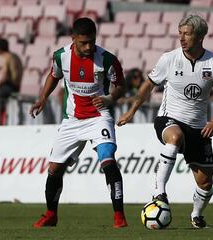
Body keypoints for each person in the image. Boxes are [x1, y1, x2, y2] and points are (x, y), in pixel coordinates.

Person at [117, 14, 213, 228]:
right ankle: (159, 193)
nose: (181, 38)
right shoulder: (169, 59)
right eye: (180, 33)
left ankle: (196, 215)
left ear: (199, 37)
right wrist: (132, 111)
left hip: (199, 128)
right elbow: (147, 86)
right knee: (175, 136)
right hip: (169, 119)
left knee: (205, 182)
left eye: (186, 34)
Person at [30, 18, 127, 228]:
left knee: (107, 159)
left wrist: (110, 98)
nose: (89, 46)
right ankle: (51, 214)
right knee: (54, 169)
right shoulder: (61, 56)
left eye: (92, 41)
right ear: (73, 39)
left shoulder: (107, 60)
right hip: (72, 120)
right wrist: (43, 98)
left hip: (99, 117)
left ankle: (119, 216)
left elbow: (120, 86)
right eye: (84, 42)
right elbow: (53, 76)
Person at [0, 38, 23, 125]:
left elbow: (5, 76)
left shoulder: (5, 57)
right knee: (0, 107)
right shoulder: (15, 56)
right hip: (16, 86)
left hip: (9, 86)